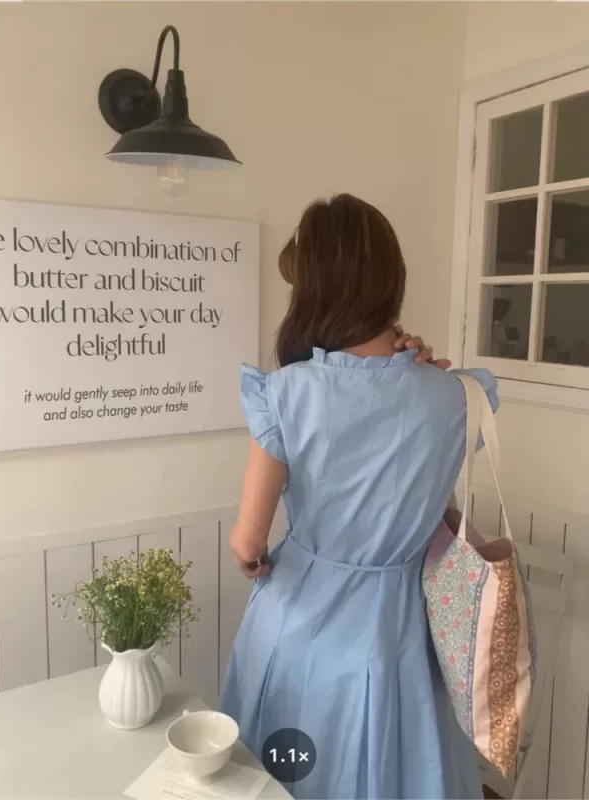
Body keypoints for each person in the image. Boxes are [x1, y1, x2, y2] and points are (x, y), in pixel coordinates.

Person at [219, 194, 498, 800]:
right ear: (388, 282)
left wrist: (253, 558)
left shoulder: (288, 392)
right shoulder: (455, 395)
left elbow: (247, 540)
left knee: (284, 775)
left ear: (318, 290)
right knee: (398, 772)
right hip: (404, 635)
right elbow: (425, 495)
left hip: (302, 631)